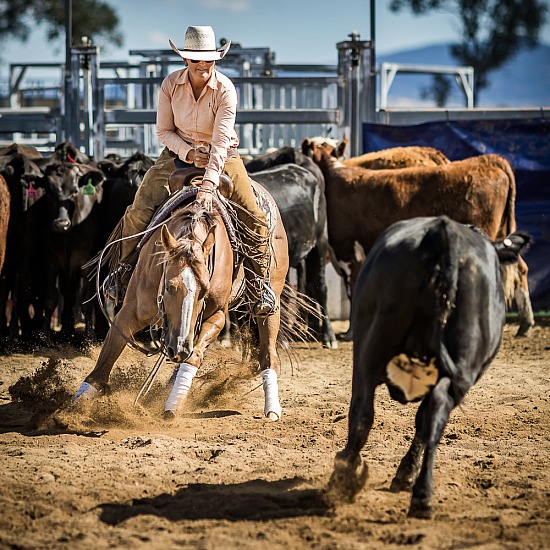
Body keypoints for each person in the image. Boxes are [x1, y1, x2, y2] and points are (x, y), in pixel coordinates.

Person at [109, 25, 277, 317]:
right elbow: (163, 130)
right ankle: (121, 272)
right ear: (185, 59)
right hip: (177, 152)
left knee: (254, 215)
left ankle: (260, 282)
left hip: (222, 155)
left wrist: (208, 185)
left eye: (209, 59)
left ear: (215, 60)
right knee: (138, 210)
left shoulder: (225, 89)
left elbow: (222, 140)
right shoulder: (170, 85)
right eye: (196, 58)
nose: (203, 64)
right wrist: (188, 152)